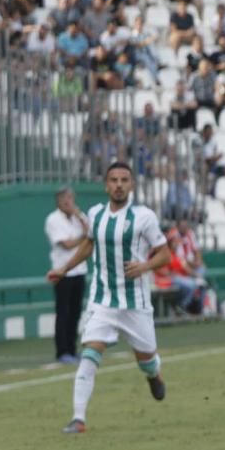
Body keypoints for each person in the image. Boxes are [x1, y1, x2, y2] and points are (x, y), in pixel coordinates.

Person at [47, 163, 171, 434]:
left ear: (131, 185)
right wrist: (64, 269)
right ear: (106, 185)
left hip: (135, 303)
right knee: (90, 352)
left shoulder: (144, 217)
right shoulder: (96, 214)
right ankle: (78, 419)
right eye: (113, 180)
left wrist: (145, 266)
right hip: (102, 300)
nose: (118, 185)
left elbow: (165, 254)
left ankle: (153, 373)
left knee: (146, 357)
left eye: (124, 180)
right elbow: (89, 244)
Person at [45, 187, 89, 364]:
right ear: (58, 202)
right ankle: (62, 351)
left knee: (76, 312)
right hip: (62, 272)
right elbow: (66, 244)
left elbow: (90, 232)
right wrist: (83, 238)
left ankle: (72, 349)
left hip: (80, 270)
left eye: (70, 198)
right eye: (64, 199)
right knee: (63, 312)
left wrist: (78, 215)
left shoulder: (79, 217)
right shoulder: (53, 220)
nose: (68, 202)